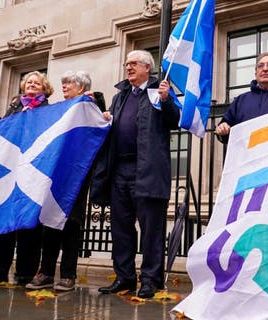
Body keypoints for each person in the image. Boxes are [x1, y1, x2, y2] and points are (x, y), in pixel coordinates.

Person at [91, 50, 180, 298]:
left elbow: (175, 121)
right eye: (127, 63)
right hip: (120, 170)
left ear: (147, 68)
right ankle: (124, 277)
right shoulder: (120, 97)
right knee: (120, 228)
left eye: (134, 64)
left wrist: (167, 101)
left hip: (148, 170)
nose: (128, 67)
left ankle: (151, 280)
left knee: (151, 229)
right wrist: (105, 116)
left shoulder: (159, 91)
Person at [25, 70, 102, 291]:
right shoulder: (58, 109)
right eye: (63, 82)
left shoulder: (89, 105)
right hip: (54, 174)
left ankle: (68, 275)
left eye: (69, 83)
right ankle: (46, 272)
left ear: (81, 87)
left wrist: (95, 101)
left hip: (77, 174)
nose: (64, 86)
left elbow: (100, 120)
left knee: (71, 224)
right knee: (49, 222)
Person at [0, 71, 54, 285]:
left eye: (36, 83)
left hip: (32, 172)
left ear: (44, 88)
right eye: (28, 82)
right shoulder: (14, 107)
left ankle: (25, 272)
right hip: (9, 171)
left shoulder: (49, 110)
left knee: (28, 223)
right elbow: (4, 134)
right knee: (2, 219)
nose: (31, 85)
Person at [215, 52, 268, 142]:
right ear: (256, 74)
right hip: (246, 155)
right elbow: (224, 136)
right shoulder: (241, 100)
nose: (265, 69)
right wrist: (223, 129)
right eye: (260, 66)